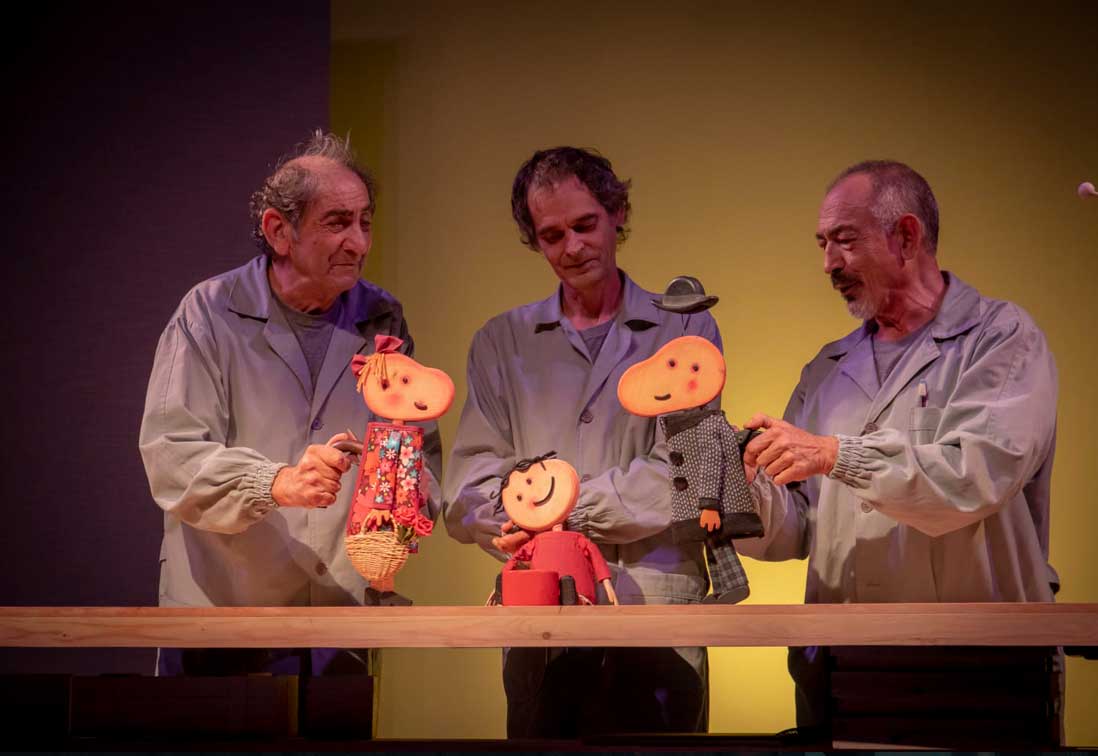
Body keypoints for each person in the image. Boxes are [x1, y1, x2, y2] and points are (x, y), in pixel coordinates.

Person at [736, 160, 1060, 737]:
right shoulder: (826, 370)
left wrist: (836, 455)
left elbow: (976, 475)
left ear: (906, 237)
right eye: (822, 244)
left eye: (844, 240)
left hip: (975, 670)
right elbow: (799, 528)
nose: (829, 264)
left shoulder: (1001, 339)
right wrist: (747, 487)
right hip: (845, 666)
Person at [139, 131, 440, 675]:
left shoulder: (382, 318)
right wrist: (277, 482)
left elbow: (420, 450)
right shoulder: (209, 313)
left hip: (339, 624)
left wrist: (407, 496)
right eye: (337, 223)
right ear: (279, 230)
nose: (359, 243)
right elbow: (172, 454)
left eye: (365, 222)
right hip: (223, 620)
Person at [443, 147, 719, 737]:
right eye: (552, 235)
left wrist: (556, 509)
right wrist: (507, 521)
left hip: (654, 608)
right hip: (543, 611)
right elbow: (467, 484)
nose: (572, 247)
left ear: (618, 213)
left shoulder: (684, 328)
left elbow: (690, 469)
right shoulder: (500, 342)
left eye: (585, 225)